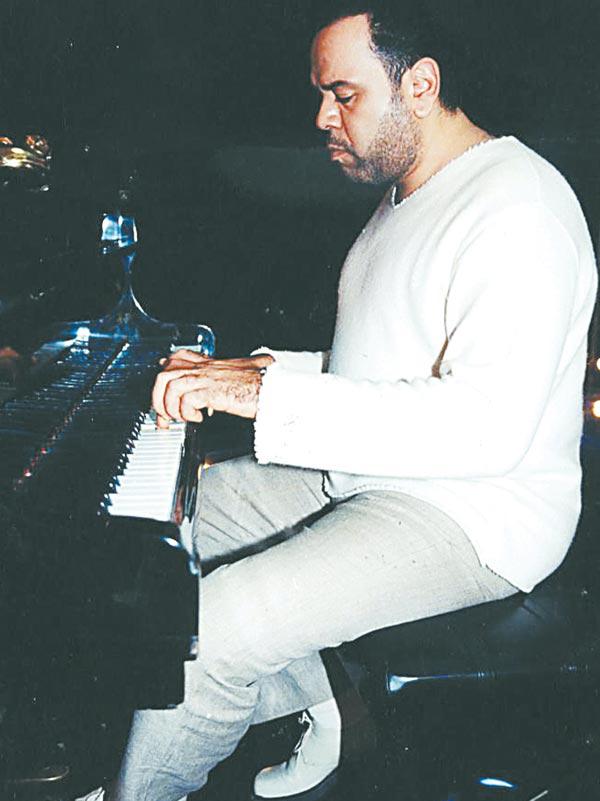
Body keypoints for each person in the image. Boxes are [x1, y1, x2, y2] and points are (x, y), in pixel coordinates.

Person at [84, 2, 597, 800]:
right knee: (177, 516)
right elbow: (380, 367)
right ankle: (324, 700)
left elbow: (485, 424)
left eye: (343, 94)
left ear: (420, 85)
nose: (323, 117)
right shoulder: (403, 199)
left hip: (477, 514)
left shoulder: (518, 206)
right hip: (374, 473)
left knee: (217, 627)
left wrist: (265, 393)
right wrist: (249, 368)